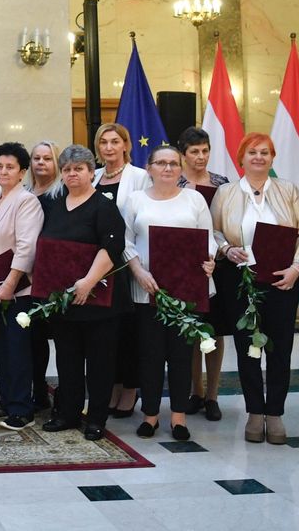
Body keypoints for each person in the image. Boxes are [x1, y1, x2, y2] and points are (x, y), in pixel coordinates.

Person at [211, 132, 299, 445]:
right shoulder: (225, 192)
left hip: (282, 280)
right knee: (247, 347)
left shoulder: (288, 190)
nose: (258, 157)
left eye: (265, 153)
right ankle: (255, 411)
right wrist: (227, 249)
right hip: (239, 280)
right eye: (252, 152)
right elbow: (212, 231)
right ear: (241, 158)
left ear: (272, 158)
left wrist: (297, 269)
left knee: (279, 348)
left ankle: (276, 413)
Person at [122, 146, 214, 442]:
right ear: (149, 167)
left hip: (185, 290)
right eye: (161, 163)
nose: (168, 168)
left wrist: (210, 259)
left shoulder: (195, 199)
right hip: (146, 288)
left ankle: (178, 416)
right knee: (149, 354)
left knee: (180, 355)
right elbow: (126, 242)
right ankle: (150, 415)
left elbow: (208, 238)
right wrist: (138, 272)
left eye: (174, 163)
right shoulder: (136, 200)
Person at [40, 144, 130, 441]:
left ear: (92, 172)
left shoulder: (104, 207)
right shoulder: (55, 206)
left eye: (79, 168)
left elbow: (112, 247)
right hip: (65, 301)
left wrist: (89, 281)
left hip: (98, 300)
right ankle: (67, 412)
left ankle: (96, 419)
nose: (72, 174)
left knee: (100, 363)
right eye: (67, 169)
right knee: (67, 360)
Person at [0, 142, 42, 431]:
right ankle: (6, 400)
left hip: (18, 290)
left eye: (10, 167)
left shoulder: (26, 201)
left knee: (17, 349)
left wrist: (11, 282)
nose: (3, 171)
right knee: (0, 348)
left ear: (23, 172)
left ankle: (21, 408)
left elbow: (26, 247)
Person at [91, 122, 148, 419]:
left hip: (129, 263)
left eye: (115, 141)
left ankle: (130, 389)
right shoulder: (95, 176)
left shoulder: (140, 177)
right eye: (104, 142)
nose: (109, 147)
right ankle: (111, 386)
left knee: (129, 331)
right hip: (101, 266)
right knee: (107, 332)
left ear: (126, 145)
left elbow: (144, 219)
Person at [175, 125, 230, 422]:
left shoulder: (222, 183)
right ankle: (195, 391)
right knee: (191, 331)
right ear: (183, 154)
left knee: (215, 330)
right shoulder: (176, 181)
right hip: (183, 265)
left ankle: (213, 395)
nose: (201, 157)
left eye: (205, 151)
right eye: (194, 152)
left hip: (216, 264)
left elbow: (227, 222)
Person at [26, 139, 62, 410]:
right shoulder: (25, 192)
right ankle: (37, 387)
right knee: (34, 337)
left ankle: (62, 391)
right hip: (26, 276)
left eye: (47, 158)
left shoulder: (61, 194)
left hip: (53, 276)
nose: (41, 163)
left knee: (60, 337)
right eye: (37, 158)